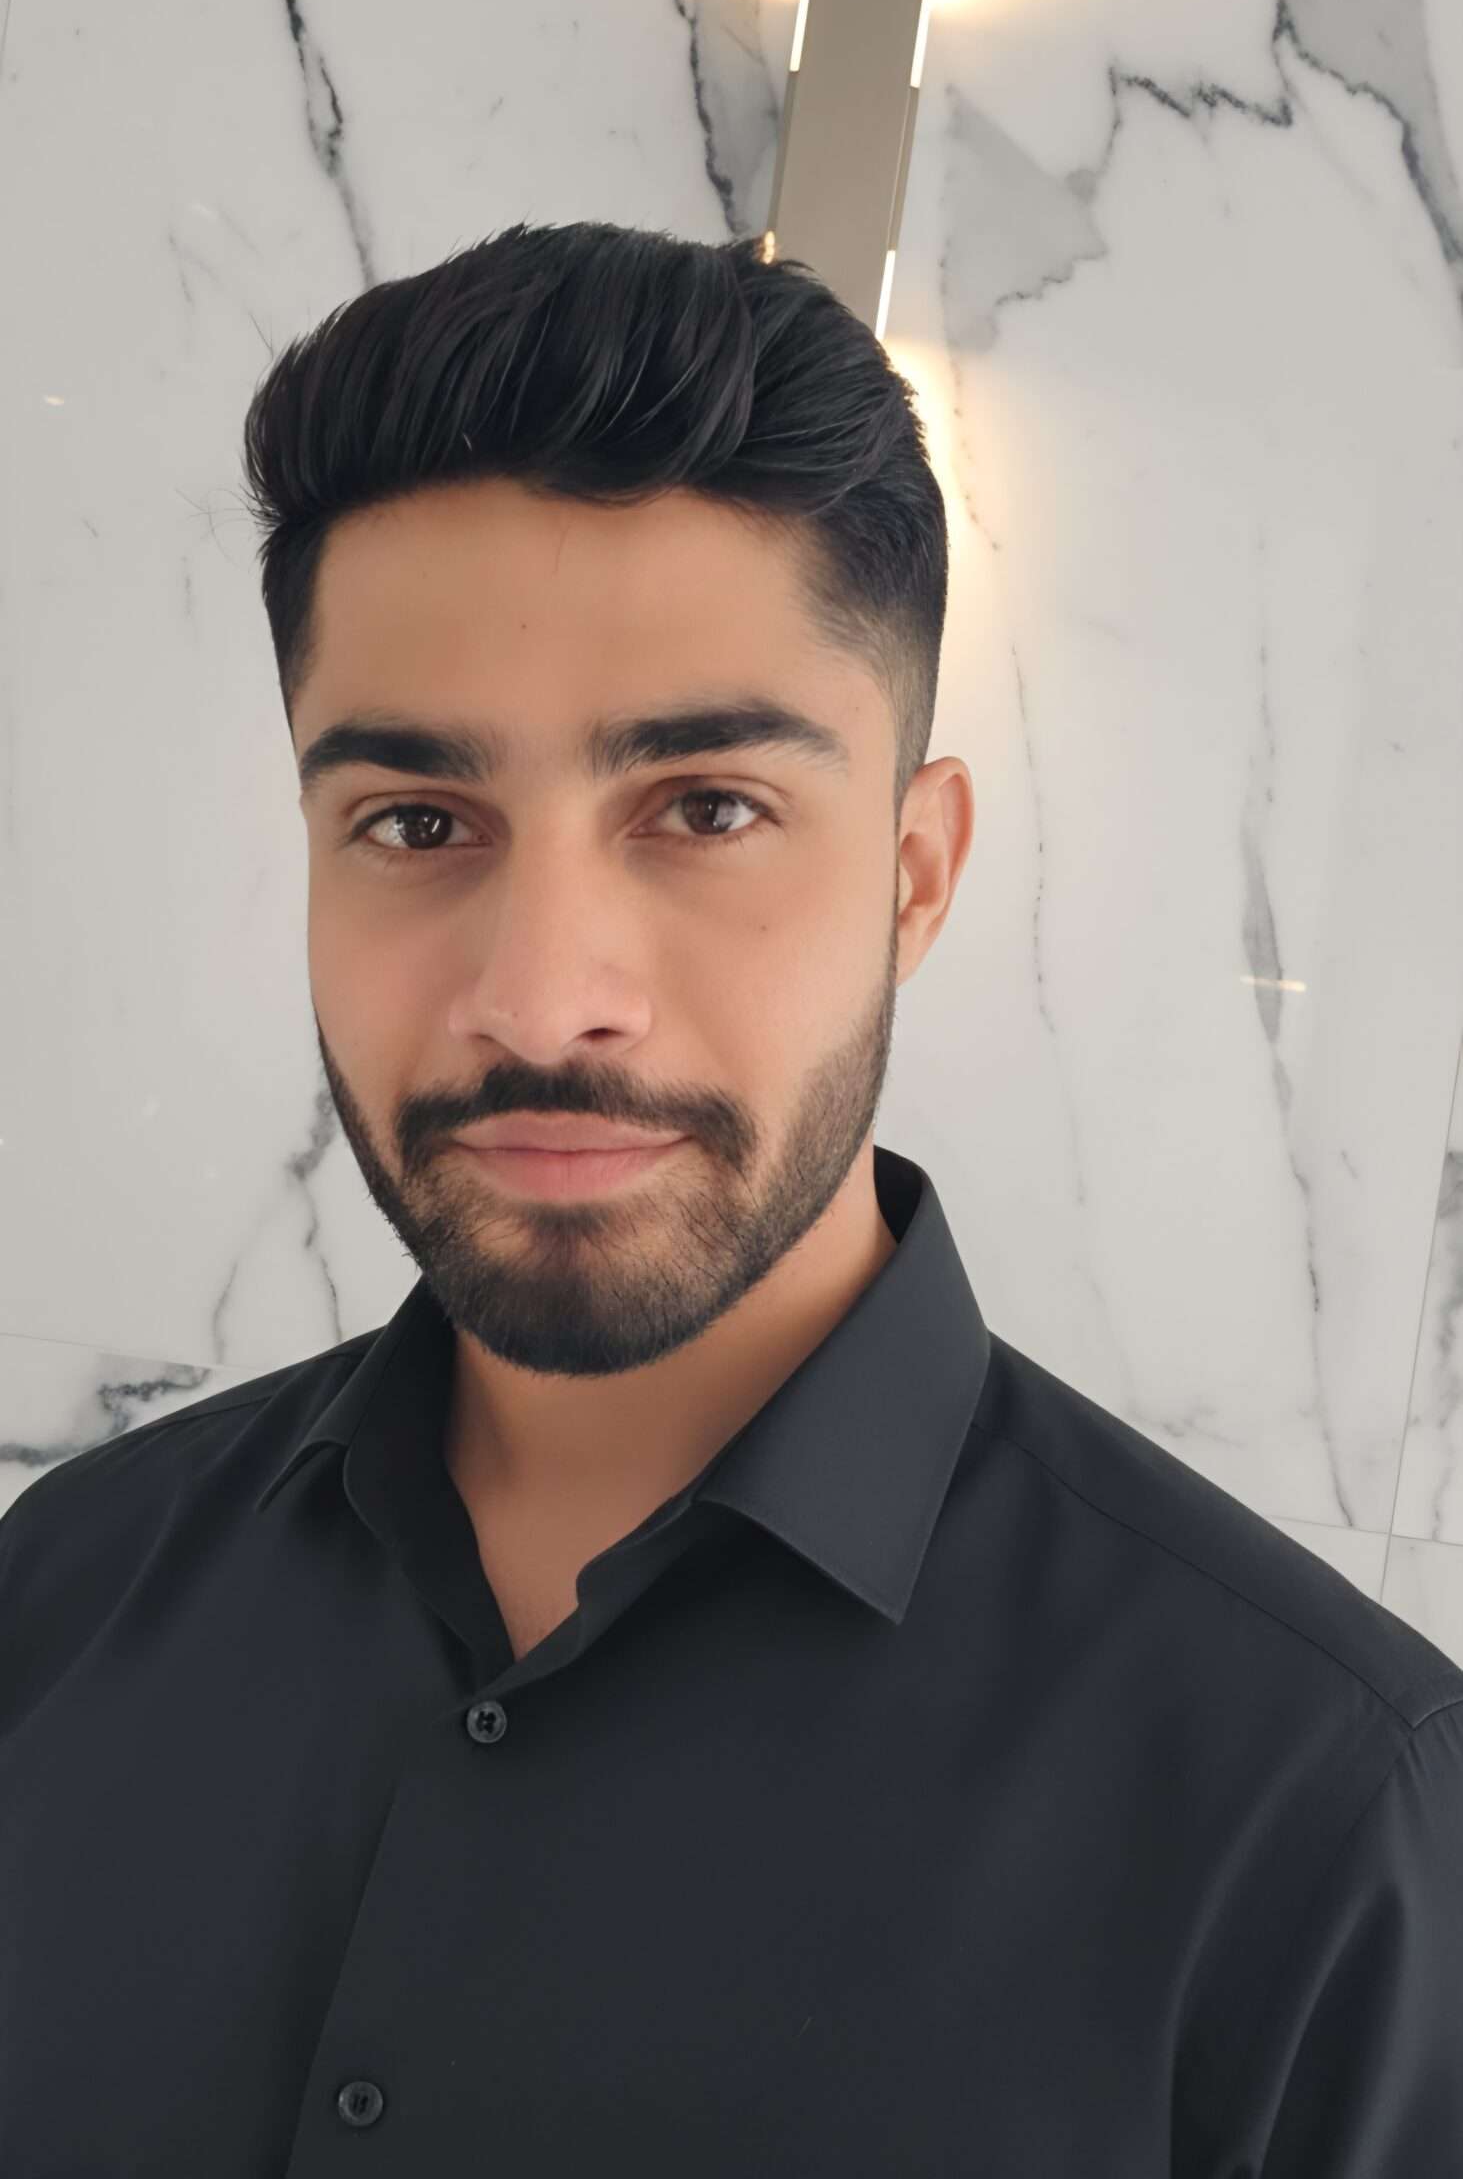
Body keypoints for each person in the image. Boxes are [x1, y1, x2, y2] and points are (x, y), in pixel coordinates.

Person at [2, 221, 1460, 2175]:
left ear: (915, 876)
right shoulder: (65, 1596)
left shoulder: (1334, 1827)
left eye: (707, 809)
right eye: (416, 821)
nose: (542, 995)